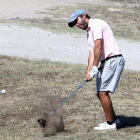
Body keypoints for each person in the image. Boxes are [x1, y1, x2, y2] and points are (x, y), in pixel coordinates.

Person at [68, 9, 125, 131]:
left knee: (102, 93)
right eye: (74, 24)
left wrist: (95, 67)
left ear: (83, 16)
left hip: (113, 59)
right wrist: (89, 71)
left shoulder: (96, 24)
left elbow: (99, 47)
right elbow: (92, 54)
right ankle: (114, 120)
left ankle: (110, 124)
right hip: (106, 62)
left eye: (76, 21)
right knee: (99, 93)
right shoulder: (89, 32)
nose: (76, 25)